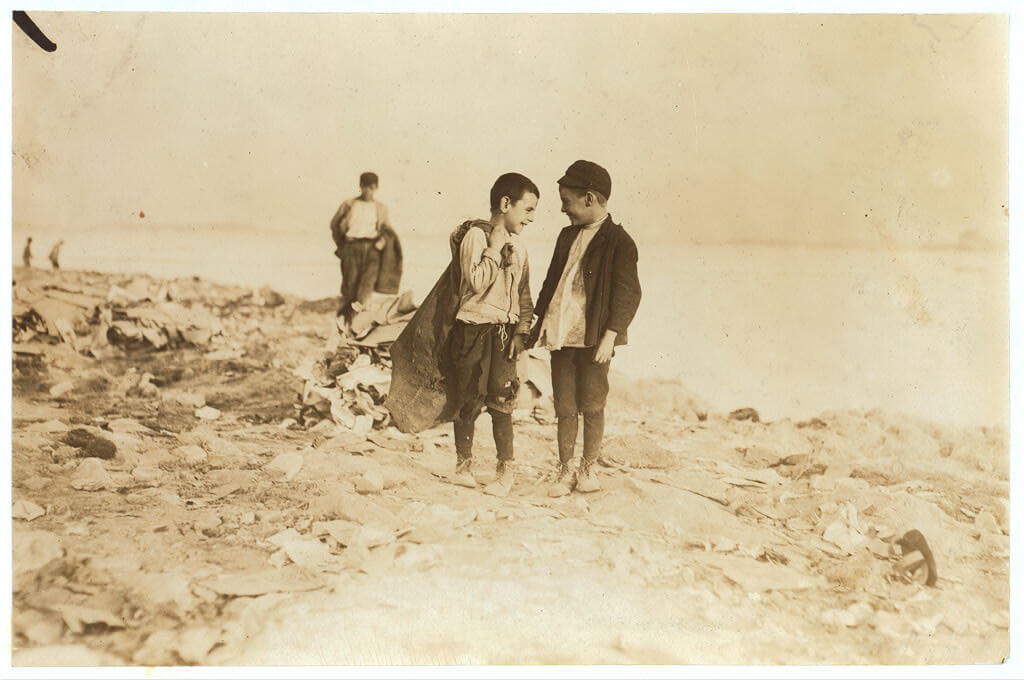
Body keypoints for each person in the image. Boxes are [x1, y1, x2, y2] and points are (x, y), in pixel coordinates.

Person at [530, 160, 641, 497]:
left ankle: (588, 466)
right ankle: (566, 469)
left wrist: (611, 336)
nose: (563, 209)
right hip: (562, 334)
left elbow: (629, 294)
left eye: (567, 201)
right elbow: (551, 283)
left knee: (592, 404)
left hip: (594, 340)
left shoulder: (620, 242)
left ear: (589, 198)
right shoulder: (566, 236)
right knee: (565, 406)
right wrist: (536, 322)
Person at [447, 173, 538, 496]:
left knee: (503, 400)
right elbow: (475, 281)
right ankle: (463, 466)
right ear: (505, 203)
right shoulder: (476, 236)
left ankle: (505, 471)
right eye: (528, 210)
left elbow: (524, 295)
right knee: (467, 399)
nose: (531, 219)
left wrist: (521, 333)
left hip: (503, 336)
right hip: (472, 330)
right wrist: (495, 249)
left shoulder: (520, 248)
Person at [329, 172, 401, 320]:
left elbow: (387, 230)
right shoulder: (349, 204)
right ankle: (346, 320)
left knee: (366, 288)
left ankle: (357, 322)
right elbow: (335, 225)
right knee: (350, 287)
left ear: (376, 188)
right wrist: (342, 245)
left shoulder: (380, 208)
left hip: (372, 250)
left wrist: (381, 244)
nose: (368, 191)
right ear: (360, 186)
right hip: (352, 248)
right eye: (365, 187)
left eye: (372, 188)